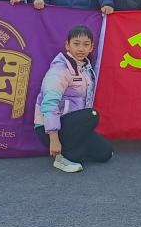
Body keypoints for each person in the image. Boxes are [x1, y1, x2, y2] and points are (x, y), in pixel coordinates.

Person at [33, 25, 112, 173]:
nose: (81, 49)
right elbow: (49, 104)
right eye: (76, 44)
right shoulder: (59, 70)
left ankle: (74, 148)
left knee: (105, 153)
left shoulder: (86, 68)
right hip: (48, 129)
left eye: (86, 44)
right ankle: (62, 158)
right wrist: (54, 139)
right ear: (67, 45)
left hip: (72, 126)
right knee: (91, 115)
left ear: (91, 47)